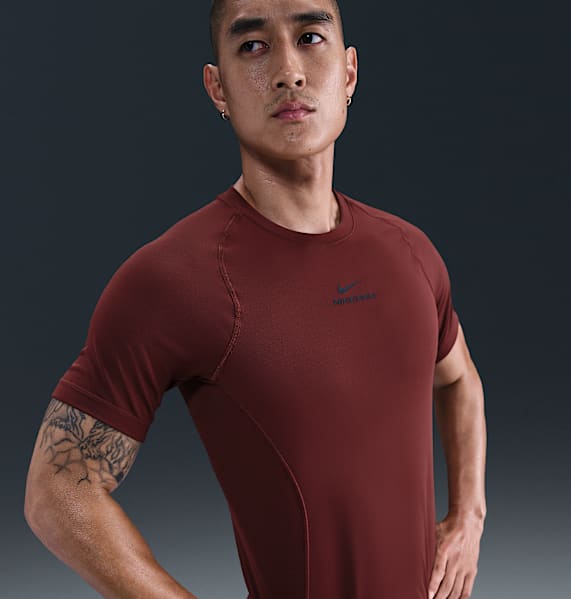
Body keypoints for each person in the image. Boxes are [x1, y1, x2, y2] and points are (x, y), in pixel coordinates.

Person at [24, 0, 487, 597]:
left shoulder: (409, 251)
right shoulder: (175, 279)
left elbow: (458, 378)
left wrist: (468, 516)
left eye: (310, 37)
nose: (289, 71)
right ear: (217, 87)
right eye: (253, 46)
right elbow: (57, 492)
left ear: (349, 72)